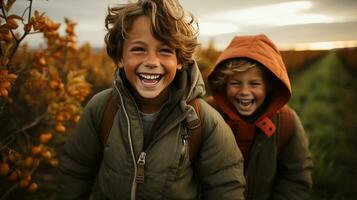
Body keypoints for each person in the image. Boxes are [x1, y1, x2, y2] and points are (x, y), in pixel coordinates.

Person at [59, 0, 246, 199]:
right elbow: (75, 173)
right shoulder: (101, 108)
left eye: (165, 51)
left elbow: (226, 188)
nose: (151, 62)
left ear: (180, 61)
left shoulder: (202, 121)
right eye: (138, 49)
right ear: (120, 57)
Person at [206, 34, 313, 200]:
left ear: (269, 86)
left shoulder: (286, 122)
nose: (244, 92)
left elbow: (295, 178)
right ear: (224, 84)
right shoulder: (208, 115)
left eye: (254, 84)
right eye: (235, 83)